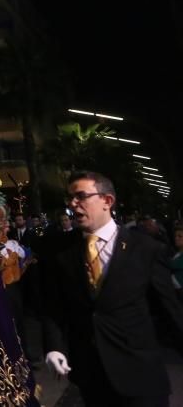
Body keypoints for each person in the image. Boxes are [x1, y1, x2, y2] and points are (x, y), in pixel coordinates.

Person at [42, 171, 183, 406]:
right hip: (91, 376)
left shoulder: (146, 249)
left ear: (107, 201)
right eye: (70, 198)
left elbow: (169, 309)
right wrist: (54, 347)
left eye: (81, 196)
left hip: (141, 374)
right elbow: (53, 306)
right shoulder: (61, 251)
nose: (72, 204)